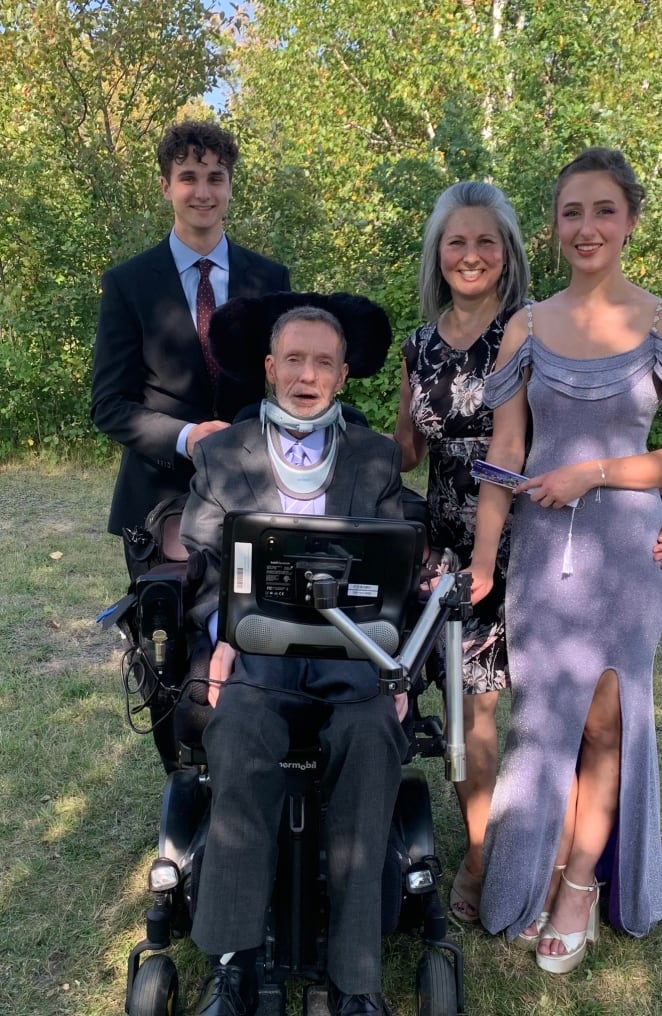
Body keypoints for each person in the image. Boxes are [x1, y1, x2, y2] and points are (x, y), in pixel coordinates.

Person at [392, 181, 662, 924]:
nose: (470, 255)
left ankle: (504, 865)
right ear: (438, 252)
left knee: (519, 713)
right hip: (451, 544)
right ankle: (493, 854)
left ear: (510, 252)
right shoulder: (421, 344)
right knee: (465, 714)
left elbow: (595, 428)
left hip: (534, 532)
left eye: (486, 241)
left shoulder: (531, 329)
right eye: (456, 242)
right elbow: (404, 450)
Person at [468, 147, 662, 973]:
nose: (586, 228)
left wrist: (597, 472)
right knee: (543, 718)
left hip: (628, 556)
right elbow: (505, 449)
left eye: (604, 211)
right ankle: (525, 873)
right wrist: (482, 558)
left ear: (631, 220)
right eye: (572, 212)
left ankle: (580, 885)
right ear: (555, 222)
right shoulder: (527, 325)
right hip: (543, 553)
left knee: (607, 717)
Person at [179, 301, 407, 1016]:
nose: (307, 375)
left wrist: (394, 659)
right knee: (241, 739)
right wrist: (219, 635)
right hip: (257, 653)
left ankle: (355, 979)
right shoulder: (223, 453)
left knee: (372, 742)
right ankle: (234, 962)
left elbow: (395, 559)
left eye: (323, 363)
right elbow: (202, 565)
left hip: (350, 655)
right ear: (271, 367)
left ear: (342, 376)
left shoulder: (375, 456)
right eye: (294, 360)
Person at [91, 119, 291, 554]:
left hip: (254, 493)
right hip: (156, 499)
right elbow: (109, 405)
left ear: (231, 187)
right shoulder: (129, 284)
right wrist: (187, 437)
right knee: (164, 622)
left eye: (215, 178)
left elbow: (288, 384)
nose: (203, 192)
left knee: (251, 623)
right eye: (188, 178)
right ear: (166, 186)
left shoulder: (271, 279)